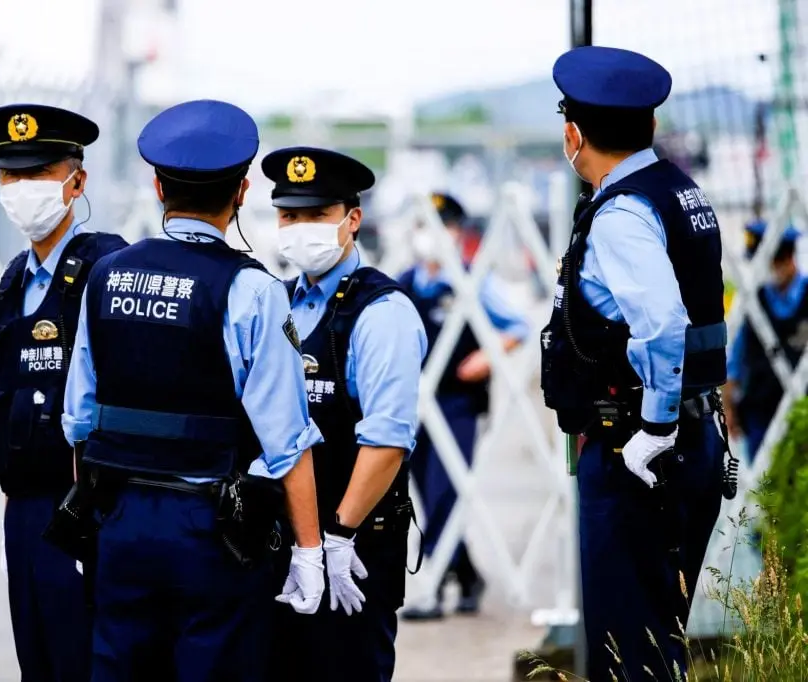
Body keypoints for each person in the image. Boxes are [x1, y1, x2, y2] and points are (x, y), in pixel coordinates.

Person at [61, 99, 325, 682]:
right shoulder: (253, 291)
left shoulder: (105, 275)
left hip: (121, 521)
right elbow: (287, 440)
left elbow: (78, 420)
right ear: (243, 190)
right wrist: (310, 551)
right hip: (212, 532)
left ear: (157, 187)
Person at [539, 46, 730, 680]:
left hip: (639, 450)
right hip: (693, 436)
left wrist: (654, 428)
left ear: (574, 132)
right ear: (648, 126)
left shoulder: (621, 213)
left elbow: (663, 323)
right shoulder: (681, 191)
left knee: (630, 649)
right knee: (657, 633)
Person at [0, 103, 126, 682]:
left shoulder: (107, 266)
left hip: (87, 504)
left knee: (84, 659)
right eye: (10, 176)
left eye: (37, 174)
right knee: (36, 657)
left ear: (76, 181)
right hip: (26, 506)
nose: (21, 189)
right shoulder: (16, 278)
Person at [261, 146, 427, 682]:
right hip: (280, 542)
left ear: (351, 220)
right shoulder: (277, 301)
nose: (300, 228)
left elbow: (387, 440)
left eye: (317, 215)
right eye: (290, 215)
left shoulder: (381, 313)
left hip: (349, 547)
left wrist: (335, 536)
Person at [398, 192, 530, 621]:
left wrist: (487, 356)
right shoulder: (402, 284)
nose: (430, 237)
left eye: (441, 227)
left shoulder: (473, 282)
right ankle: (469, 575)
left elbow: (517, 326)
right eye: (423, 227)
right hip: (413, 406)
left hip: (457, 405)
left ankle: (432, 587)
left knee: (445, 491)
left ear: (456, 233)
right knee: (428, 494)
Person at [723, 221, 806, 464]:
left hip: (803, 408)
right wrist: (728, 406)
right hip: (759, 412)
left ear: (786, 257)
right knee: (764, 487)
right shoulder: (752, 301)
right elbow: (734, 361)